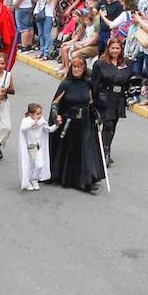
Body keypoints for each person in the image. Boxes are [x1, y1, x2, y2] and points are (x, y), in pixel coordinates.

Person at [48, 57, 105, 193]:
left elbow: (91, 102)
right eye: (74, 66)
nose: (77, 69)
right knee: (68, 151)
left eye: (80, 67)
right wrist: (56, 116)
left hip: (85, 122)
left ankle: (87, 181)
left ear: (84, 68)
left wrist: (96, 114)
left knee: (86, 151)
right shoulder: (65, 84)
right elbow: (55, 102)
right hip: (69, 123)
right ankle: (67, 178)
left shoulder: (87, 84)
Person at [91, 35, 131, 167]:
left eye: (117, 48)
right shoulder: (100, 64)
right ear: (108, 49)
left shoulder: (126, 63)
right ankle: (105, 152)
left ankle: (106, 147)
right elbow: (95, 84)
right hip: (105, 96)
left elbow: (131, 79)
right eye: (112, 48)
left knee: (113, 125)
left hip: (118, 98)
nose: (115, 51)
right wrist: (94, 101)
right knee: (107, 124)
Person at [18, 102, 53, 192]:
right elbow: (23, 128)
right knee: (30, 164)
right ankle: (28, 181)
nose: (39, 116)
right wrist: (33, 124)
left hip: (38, 146)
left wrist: (56, 125)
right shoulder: (26, 121)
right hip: (30, 147)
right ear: (30, 114)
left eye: (40, 113)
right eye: (37, 114)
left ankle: (34, 179)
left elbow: (48, 129)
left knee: (40, 164)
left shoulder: (41, 121)